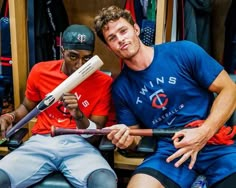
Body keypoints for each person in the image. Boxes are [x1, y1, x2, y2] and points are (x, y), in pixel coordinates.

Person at [94, 5, 236, 188]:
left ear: (136, 29)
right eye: (112, 38)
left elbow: (229, 89)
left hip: (212, 141)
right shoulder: (121, 88)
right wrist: (127, 140)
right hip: (169, 151)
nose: (120, 39)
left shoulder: (183, 51)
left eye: (123, 31)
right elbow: (135, 137)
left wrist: (204, 132)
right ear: (108, 47)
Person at [0, 24, 117, 188]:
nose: (79, 65)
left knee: (105, 182)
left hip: (79, 146)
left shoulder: (103, 82)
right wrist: (8, 117)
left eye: (87, 59)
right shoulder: (41, 72)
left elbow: (95, 134)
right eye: (73, 57)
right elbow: (26, 108)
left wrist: (77, 114)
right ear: (62, 51)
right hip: (42, 142)